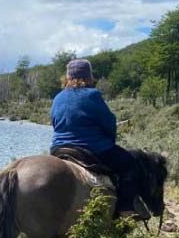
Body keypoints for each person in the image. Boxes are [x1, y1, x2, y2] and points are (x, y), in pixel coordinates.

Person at [49, 58, 146, 216]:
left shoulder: (58, 97)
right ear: (88, 77)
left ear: (67, 78)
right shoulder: (92, 95)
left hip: (58, 149)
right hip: (90, 149)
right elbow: (109, 122)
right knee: (130, 164)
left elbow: (54, 122)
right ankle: (125, 208)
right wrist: (109, 140)